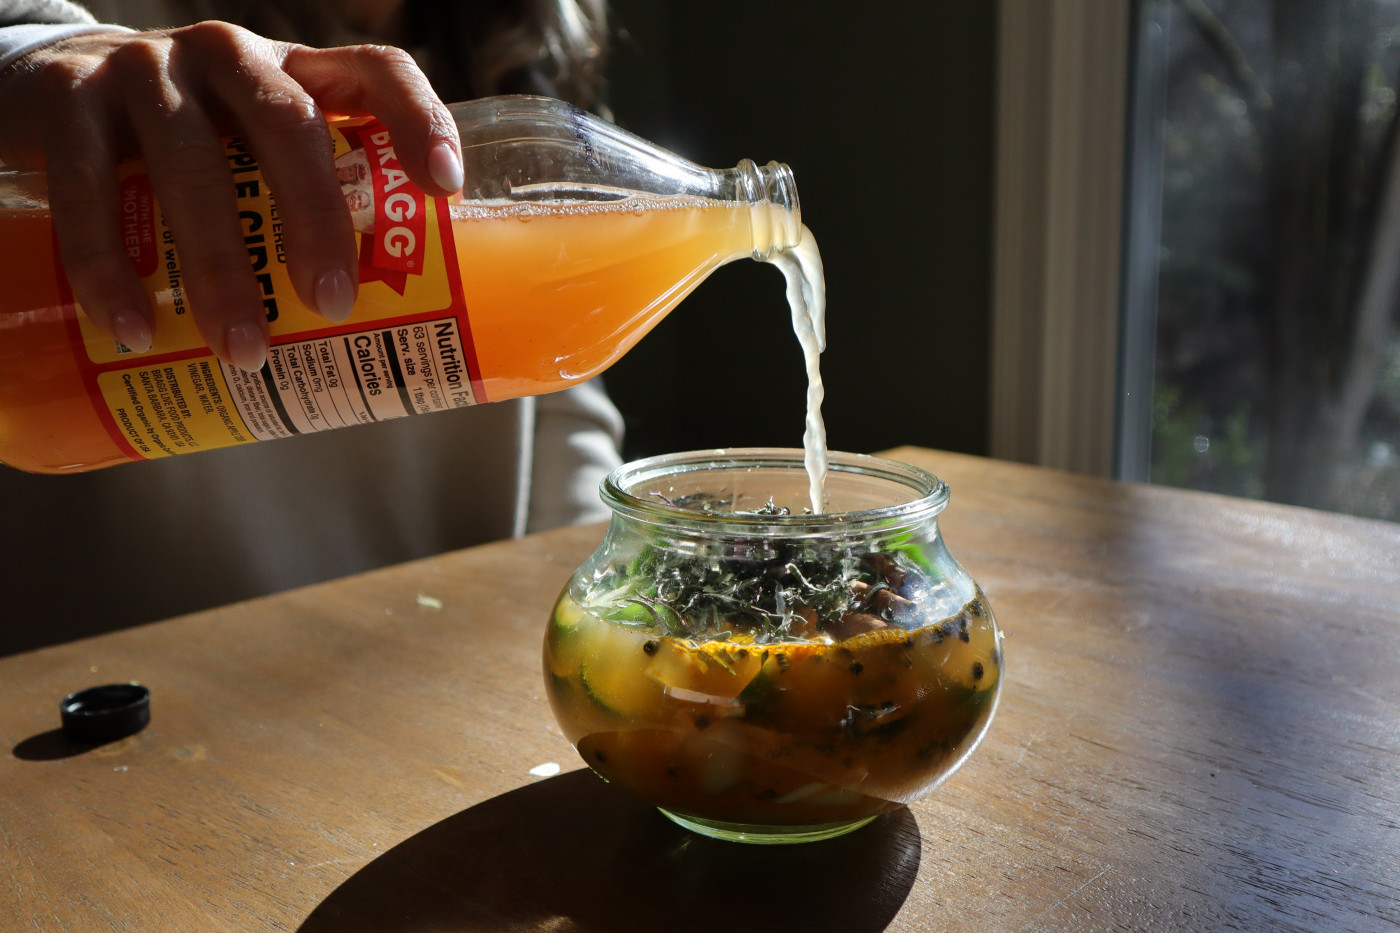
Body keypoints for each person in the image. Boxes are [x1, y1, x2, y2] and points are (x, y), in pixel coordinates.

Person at [0, 0, 623, 654]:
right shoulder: (132, 33)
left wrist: (608, 618)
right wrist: (37, 51)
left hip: (409, 686)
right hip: (110, 698)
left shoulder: (520, 55)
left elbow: (559, 409)